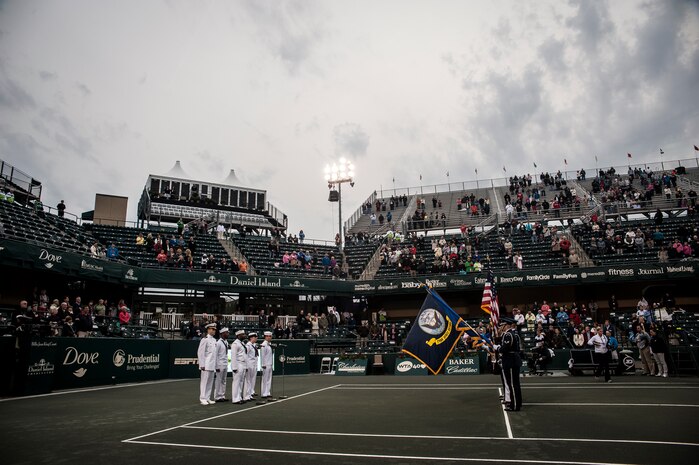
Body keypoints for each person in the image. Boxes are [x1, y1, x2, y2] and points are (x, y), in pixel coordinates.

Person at [497, 317, 522, 411]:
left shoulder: (508, 334)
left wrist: (498, 348)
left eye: (502, 325)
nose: (501, 327)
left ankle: (514, 405)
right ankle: (516, 403)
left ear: (506, 325)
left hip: (510, 361)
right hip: (512, 360)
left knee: (512, 384)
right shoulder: (511, 334)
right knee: (514, 383)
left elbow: (506, 348)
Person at [197, 323, 217, 405]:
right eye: (212, 329)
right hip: (206, 364)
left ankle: (208, 397)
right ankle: (202, 398)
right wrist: (202, 364)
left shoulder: (214, 340)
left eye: (214, 329)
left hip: (212, 364)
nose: (214, 331)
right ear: (208, 330)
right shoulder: (204, 339)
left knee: (210, 382)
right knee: (204, 382)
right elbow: (200, 353)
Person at [231, 330, 247, 404]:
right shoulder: (235, 344)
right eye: (242, 334)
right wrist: (234, 367)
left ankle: (239, 397)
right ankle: (235, 398)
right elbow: (233, 356)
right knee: (236, 382)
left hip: (243, 364)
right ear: (238, 336)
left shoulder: (242, 343)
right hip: (238, 364)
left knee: (241, 382)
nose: (244, 335)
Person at [214, 327, 230, 402]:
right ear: (222, 334)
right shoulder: (218, 343)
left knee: (224, 380)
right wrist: (216, 366)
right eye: (226, 333)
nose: (228, 334)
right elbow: (216, 355)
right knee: (218, 380)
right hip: (220, 364)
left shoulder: (226, 342)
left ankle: (222, 395)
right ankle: (217, 396)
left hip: (225, 363)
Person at [244, 332, 259, 402]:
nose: (256, 338)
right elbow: (245, 356)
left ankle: (250, 394)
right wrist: (246, 366)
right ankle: (246, 395)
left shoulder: (253, 345)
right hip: (249, 364)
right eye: (255, 337)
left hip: (254, 364)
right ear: (251, 338)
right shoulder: (248, 346)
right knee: (248, 380)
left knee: (252, 380)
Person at [260, 331, 274, 399]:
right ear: (266, 337)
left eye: (270, 336)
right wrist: (263, 364)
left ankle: (268, 392)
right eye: (269, 336)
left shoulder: (269, 344)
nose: (270, 337)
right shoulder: (264, 345)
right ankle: (264, 393)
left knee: (269, 379)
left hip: (270, 364)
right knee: (265, 379)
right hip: (266, 364)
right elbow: (263, 355)